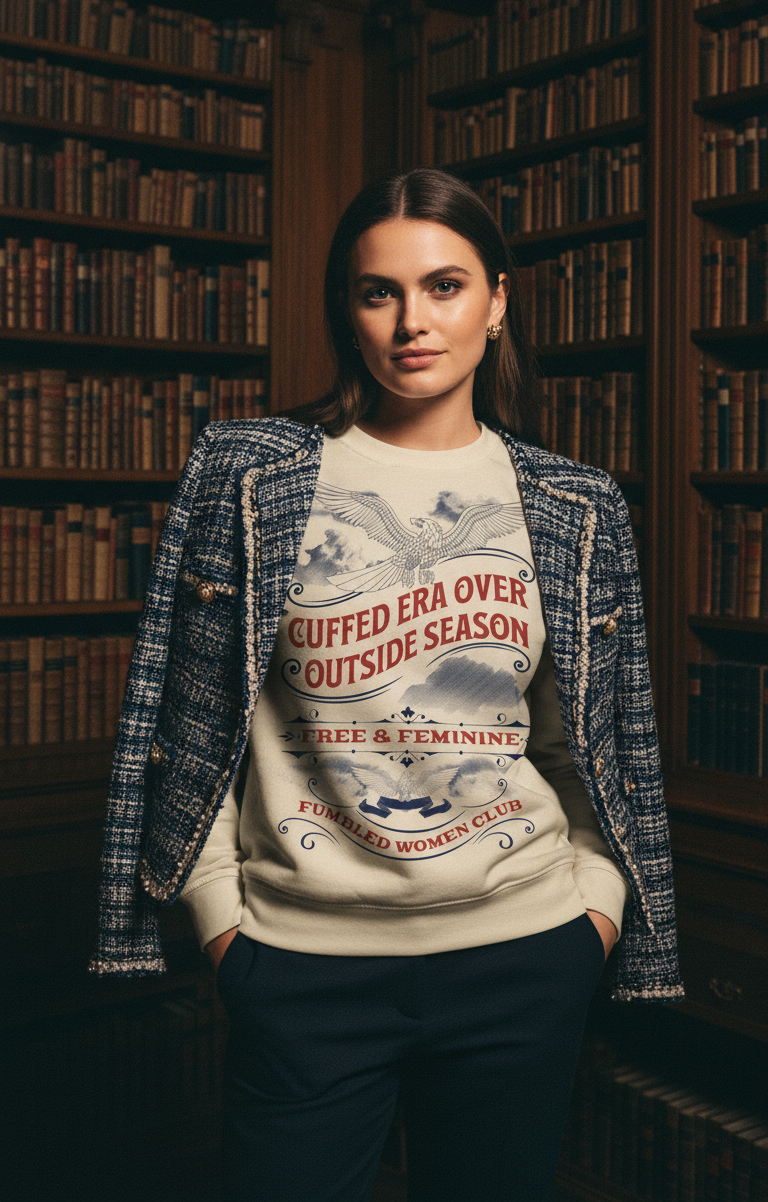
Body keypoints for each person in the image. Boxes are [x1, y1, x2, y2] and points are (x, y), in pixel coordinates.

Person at [91, 168, 683, 1201]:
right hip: (300, 962)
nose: (414, 321)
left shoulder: (575, 504)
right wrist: (223, 921)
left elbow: (599, 744)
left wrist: (592, 910)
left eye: (445, 286)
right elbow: (186, 711)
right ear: (348, 311)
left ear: (497, 303)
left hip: (525, 953)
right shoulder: (248, 474)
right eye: (380, 292)